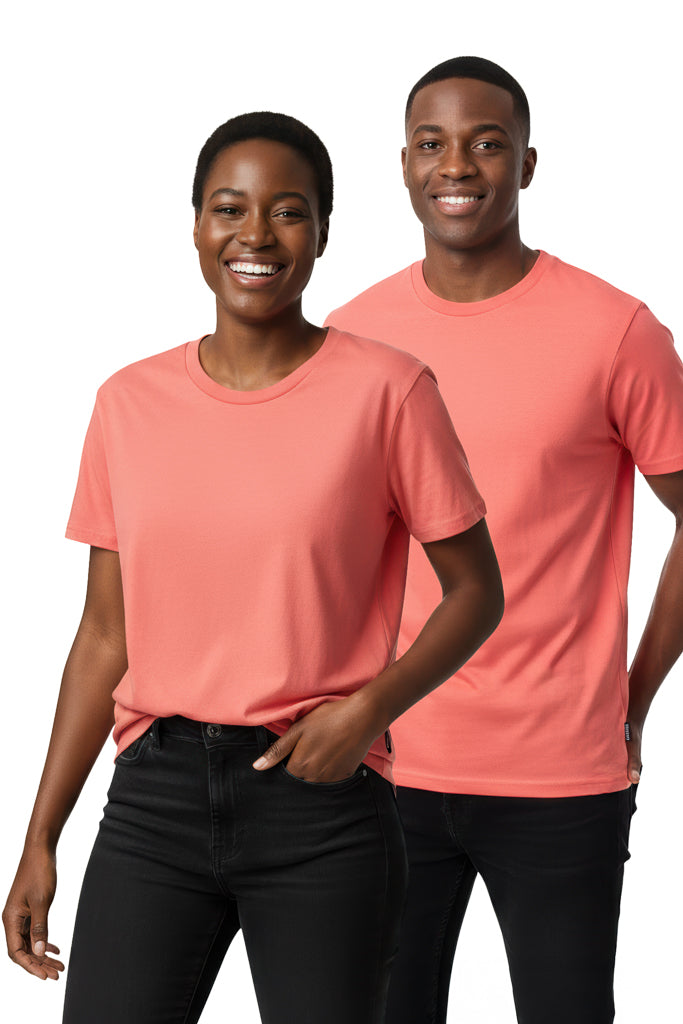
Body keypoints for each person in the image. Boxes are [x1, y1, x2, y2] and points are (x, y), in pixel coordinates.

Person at [2, 111, 504, 1024]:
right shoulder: (128, 404)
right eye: (230, 208)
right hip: (151, 800)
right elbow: (103, 636)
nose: (256, 236)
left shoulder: (389, 392)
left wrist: (368, 712)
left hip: (319, 805)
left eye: (289, 212)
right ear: (196, 222)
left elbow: (476, 592)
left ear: (321, 230)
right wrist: (41, 837)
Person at [326, 56, 683, 1024]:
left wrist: (633, 693)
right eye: (433, 145)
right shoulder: (353, 338)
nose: (458, 166)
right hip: (387, 767)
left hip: (559, 773)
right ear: (402, 165)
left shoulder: (616, 333)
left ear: (526, 164)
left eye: (486, 144)